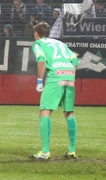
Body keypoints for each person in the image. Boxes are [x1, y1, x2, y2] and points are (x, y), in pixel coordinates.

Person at [30, 21, 79, 160]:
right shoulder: (60, 43)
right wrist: (69, 74)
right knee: (69, 112)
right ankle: (72, 150)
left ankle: (45, 152)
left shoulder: (38, 44)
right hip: (69, 75)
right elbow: (75, 60)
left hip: (55, 76)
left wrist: (39, 81)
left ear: (36, 34)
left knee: (45, 111)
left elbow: (41, 59)